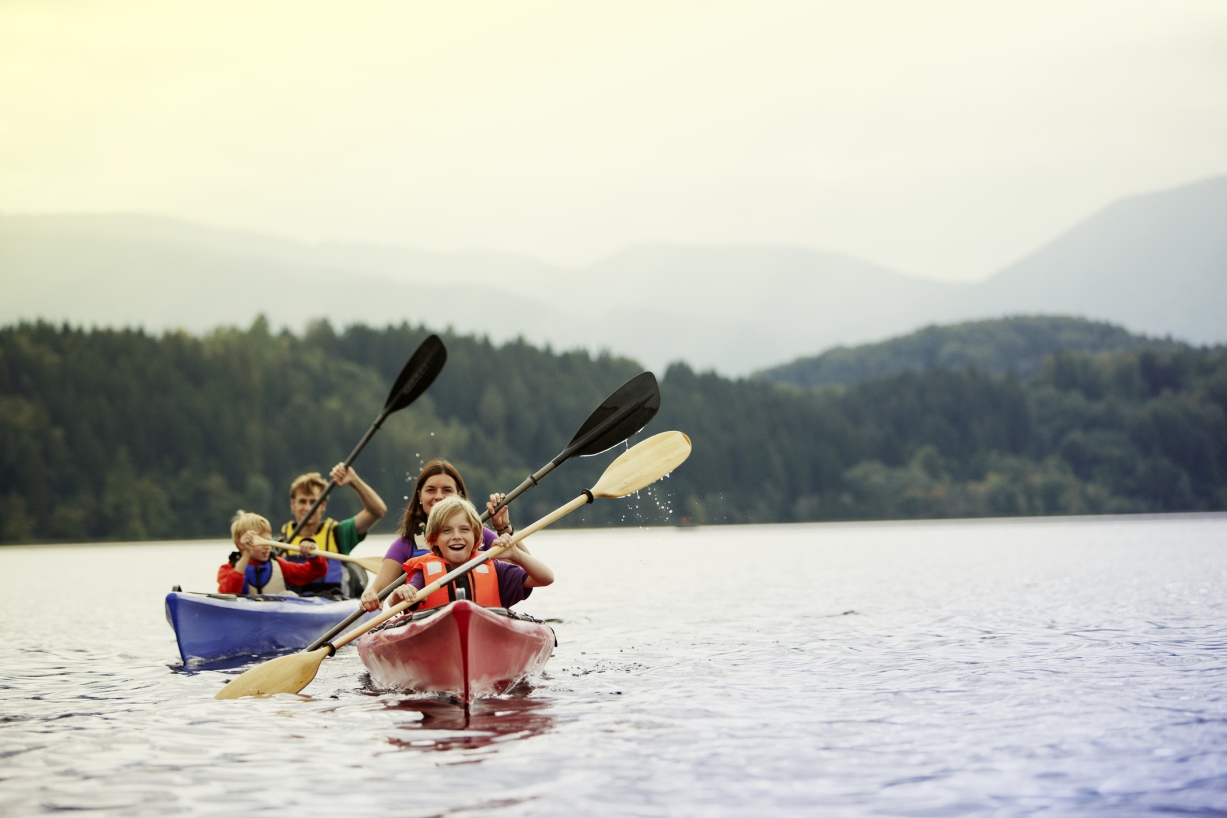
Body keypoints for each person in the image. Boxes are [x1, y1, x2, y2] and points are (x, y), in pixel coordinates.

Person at [358, 459, 513, 612]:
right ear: (420, 497)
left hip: (482, 620)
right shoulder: (406, 543)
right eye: (431, 490)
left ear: (459, 495)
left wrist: (503, 528)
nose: (438, 496)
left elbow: (524, 570)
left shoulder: (481, 534)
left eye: (447, 490)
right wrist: (369, 596)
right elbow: (375, 591)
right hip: (425, 626)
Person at [387, 495, 552, 611]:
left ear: (476, 538)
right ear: (434, 539)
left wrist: (515, 554)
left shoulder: (496, 569)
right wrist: (398, 594)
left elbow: (546, 578)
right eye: (447, 531)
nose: (456, 536)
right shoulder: (424, 573)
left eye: (464, 529)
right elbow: (395, 604)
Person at [280, 463, 387, 598]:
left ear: (323, 505)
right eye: (302, 501)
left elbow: (377, 511)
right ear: (293, 504)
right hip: (291, 604)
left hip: (332, 604)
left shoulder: (339, 533)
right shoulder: (279, 542)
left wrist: (353, 480)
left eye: (313, 502)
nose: (307, 508)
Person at [217, 510, 325, 595]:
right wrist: (246, 554)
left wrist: (313, 555)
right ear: (241, 544)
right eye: (261, 541)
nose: (267, 546)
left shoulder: (281, 566)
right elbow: (228, 593)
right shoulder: (227, 570)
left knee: (290, 595)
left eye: (269, 541)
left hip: (278, 620)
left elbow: (317, 572)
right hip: (246, 620)